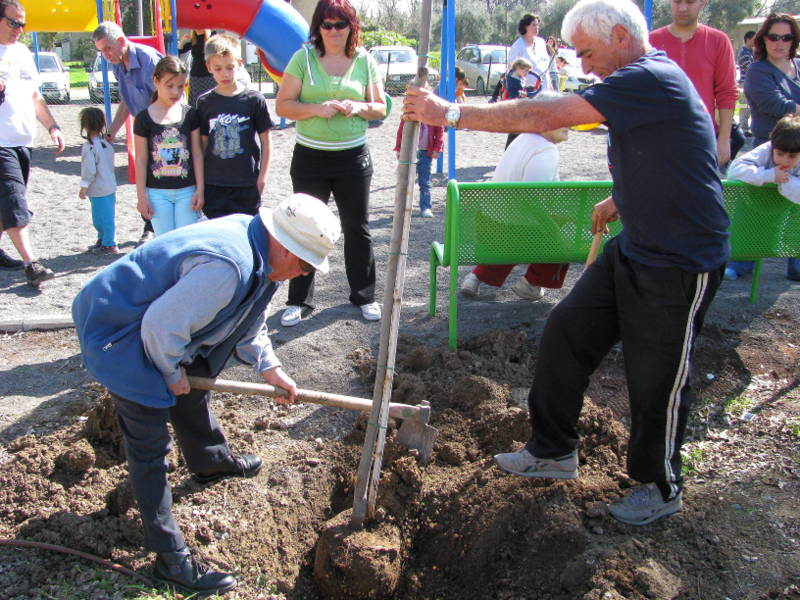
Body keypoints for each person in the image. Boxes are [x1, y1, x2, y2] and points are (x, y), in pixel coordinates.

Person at [404, 0, 729, 526]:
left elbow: (546, 114)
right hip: (636, 245)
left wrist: (452, 113)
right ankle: (553, 450)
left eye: (587, 53)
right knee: (565, 332)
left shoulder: (649, 77)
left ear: (621, 35)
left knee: (657, 379)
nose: (584, 65)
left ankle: (660, 485)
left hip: (680, 261)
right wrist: (620, 198)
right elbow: (667, 153)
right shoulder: (642, 83)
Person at [72, 194, 341, 596]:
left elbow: (249, 318)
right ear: (285, 245)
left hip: (157, 324)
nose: (302, 274)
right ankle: (170, 559)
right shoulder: (228, 267)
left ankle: (210, 461)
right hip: (118, 331)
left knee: (196, 372)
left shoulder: (261, 251)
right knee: (150, 444)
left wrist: (270, 367)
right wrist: (169, 371)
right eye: (303, 264)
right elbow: (159, 330)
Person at [275, 0, 386, 327]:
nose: (334, 31)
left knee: (357, 228)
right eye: (327, 24)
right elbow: (283, 106)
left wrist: (359, 106)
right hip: (311, 158)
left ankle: (364, 295)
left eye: (341, 24)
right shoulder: (303, 59)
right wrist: (315, 109)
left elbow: (381, 107)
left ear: (352, 26)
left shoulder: (365, 60)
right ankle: (299, 300)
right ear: (318, 27)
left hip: (353, 157)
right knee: (303, 226)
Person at [460, 92, 571, 301]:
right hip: (510, 232)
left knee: (520, 230)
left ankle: (476, 276)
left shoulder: (522, 139)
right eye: (563, 117)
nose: (570, 123)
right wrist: (555, 231)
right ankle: (532, 283)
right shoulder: (545, 150)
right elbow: (532, 202)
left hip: (490, 227)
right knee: (561, 235)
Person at [729, 13, 800, 281]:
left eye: (786, 37)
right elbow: (774, 104)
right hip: (769, 149)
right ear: (764, 38)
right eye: (774, 36)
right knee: (756, 213)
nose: (780, 42)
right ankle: (742, 263)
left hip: (798, 151)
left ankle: (796, 264)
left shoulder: (797, 65)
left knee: (796, 214)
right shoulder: (759, 70)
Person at [0, 0, 63, 286]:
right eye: (13, 22)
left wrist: (53, 126)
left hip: (23, 141)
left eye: (23, 24)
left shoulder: (23, 52)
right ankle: (31, 264)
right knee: (15, 202)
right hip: (0, 143)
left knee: (7, 203)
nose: (20, 29)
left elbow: (35, 97)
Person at [93, 21, 162, 246]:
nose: (106, 55)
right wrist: (111, 132)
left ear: (121, 41)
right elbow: (126, 100)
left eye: (107, 48)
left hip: (161, 129)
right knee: (144, 179)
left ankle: (152, 228)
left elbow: (168, 97)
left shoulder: (148, 60)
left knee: (159, 178)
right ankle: (149, 225)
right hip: (142, 129)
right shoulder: (118, 64)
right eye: (101, 51)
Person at [650, 0, 742, 168]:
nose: (683, 8)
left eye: (690, 2)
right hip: (659, 139)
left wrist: (724, 139)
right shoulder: (651, 42)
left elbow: (727, 92)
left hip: (702, 139)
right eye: (677, 2)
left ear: (703, 3)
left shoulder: (718, 40)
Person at [196, 33, 273, 220]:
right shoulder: (204, 102)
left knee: (245, 236)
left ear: (239, 63)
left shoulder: (254, 100)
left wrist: (262, 177)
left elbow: (266, 142)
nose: (225, 74)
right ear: (208, 67)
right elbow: (202, 145)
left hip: (246, 184)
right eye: (218, 68)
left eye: (230, 67)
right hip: (215, 185)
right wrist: (200, 185)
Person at [134, 56, 203, 236]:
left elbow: (197, 154)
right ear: (156, 81)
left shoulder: (190, 115)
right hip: (157, 193)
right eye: (170, 85)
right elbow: (141, 160)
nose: (175, 91)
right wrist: (141, 197)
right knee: (164, 243)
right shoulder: (143, 118)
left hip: (187, 191)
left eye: (180, 86)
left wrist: (200, 190)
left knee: (185, 241)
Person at [727, 115, 800, 281]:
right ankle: (739, 265)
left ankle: (797, 267)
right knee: (749, 228)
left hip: (791, 207)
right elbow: (735, 170)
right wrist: (769, 175)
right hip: (756, 201)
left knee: (796, 229)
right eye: (780, 154)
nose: (785, 160)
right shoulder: (766, 150)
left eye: (792, 156)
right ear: (773, 145)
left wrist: (786, 182)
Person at [394, 82, 444, 218]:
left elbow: (439, 130)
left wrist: (437, 148)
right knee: (405, 180)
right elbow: (401, 131)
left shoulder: (432, 113)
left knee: (425, 181)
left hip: (425, 151)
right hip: (409, 151)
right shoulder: (408, 112)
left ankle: (425, 207)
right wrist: (399, 148)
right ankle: (402, 208)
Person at [78, 107, 118, 254]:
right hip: (109, 185)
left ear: (84, 126)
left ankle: (109, 243)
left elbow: (89, 169)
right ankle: (102, 239)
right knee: (104, 215)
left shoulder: (90, 147)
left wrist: (84, 186)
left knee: (102, 218)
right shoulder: (106, 144)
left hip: (99, 188)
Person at [508, 14, 552, 91]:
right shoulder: (517, 46)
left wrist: (550, 87)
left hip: (544, 90)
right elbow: (512, 70)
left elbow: (546, 69)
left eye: (538, 25)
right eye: (533, 25)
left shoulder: (541, 42)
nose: (537, 28)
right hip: (526, 92)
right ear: (525, 26)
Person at [178, 29, 215, 106]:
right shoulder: (194, 40)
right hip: (195, 76)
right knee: (195, 101)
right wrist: (182, 41)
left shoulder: (212, 37)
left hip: (209, 76)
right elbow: (180, 51)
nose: (197, 29)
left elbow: (213, 49)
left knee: (210, 100)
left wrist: (207, 35)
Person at [738, 30, 756, 136]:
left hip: (750, 83)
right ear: (748, 39)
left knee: (749, 107)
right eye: (754, 39)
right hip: (746, 83)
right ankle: (743, 128)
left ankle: (745, 128)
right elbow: (751, 69)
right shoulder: (744, 53)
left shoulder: (751, 53)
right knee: (745, 106)